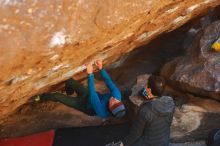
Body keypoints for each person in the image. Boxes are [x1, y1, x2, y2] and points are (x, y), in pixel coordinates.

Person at [35, 60, 126, 119]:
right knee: (69, 81)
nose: (114, 100)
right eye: (118, 102)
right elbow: (108, 82)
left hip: (84, 105)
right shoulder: (117, 96)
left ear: (110, 109)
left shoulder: (101, 112)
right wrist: (101, 68)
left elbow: (93, 94)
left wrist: (90, 74)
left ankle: (40, 97)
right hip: (88, 95)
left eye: (113, 104)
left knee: (56, 96)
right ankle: (69, 94)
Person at [120, 75, 175, 146]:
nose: (145, 86)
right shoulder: (170, 102)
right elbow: (168, 123)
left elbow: (135, 134)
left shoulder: (145, 110)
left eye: (146, 85)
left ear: (149, 90)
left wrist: (123, 144)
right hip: (164, 142)